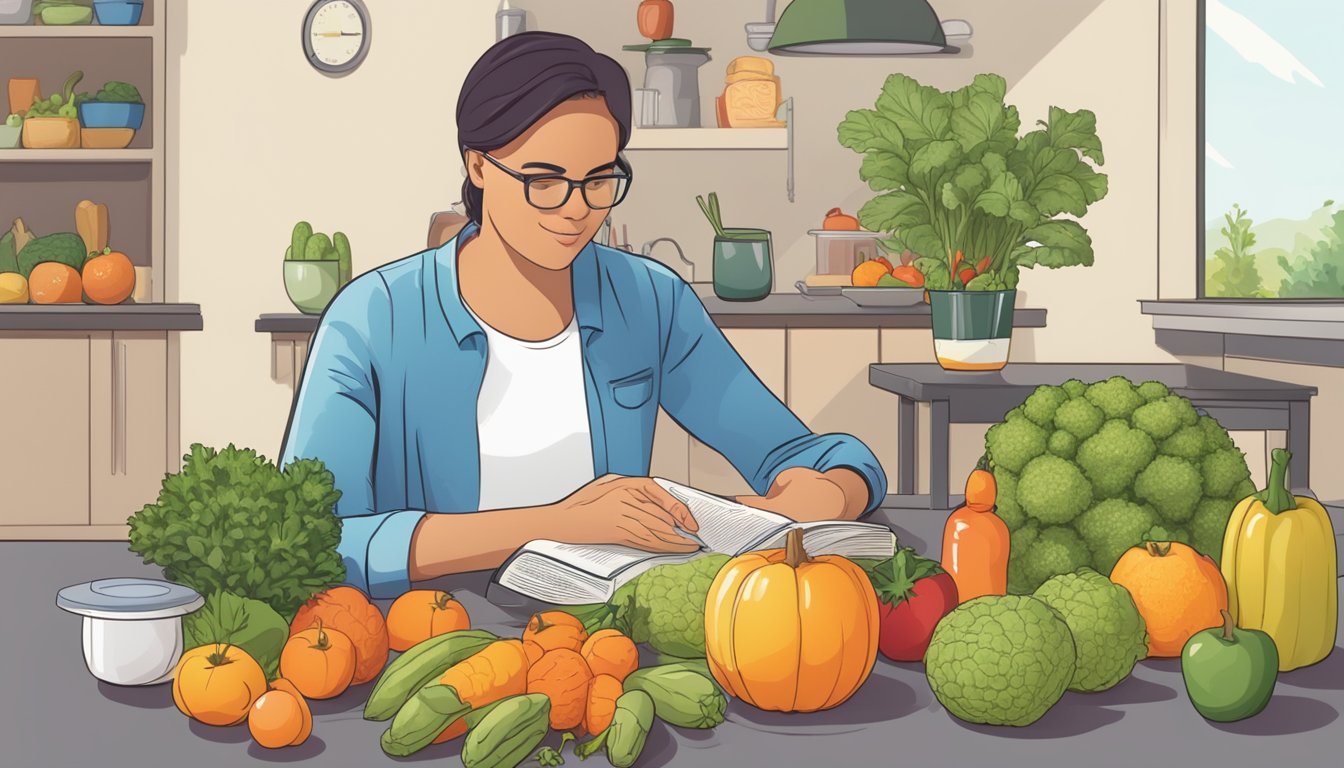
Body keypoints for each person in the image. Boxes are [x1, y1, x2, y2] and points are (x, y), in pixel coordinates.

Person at [280, 32, 887, 599]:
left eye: (599, 180)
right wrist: (556, 523)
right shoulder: (372, 319)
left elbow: (812, 452)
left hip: (611, 640)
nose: (577, 209)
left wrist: (833, 490)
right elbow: (312, 539)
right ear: (479, 167)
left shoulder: (648, 302)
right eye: (545, 181)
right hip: (428, 639)